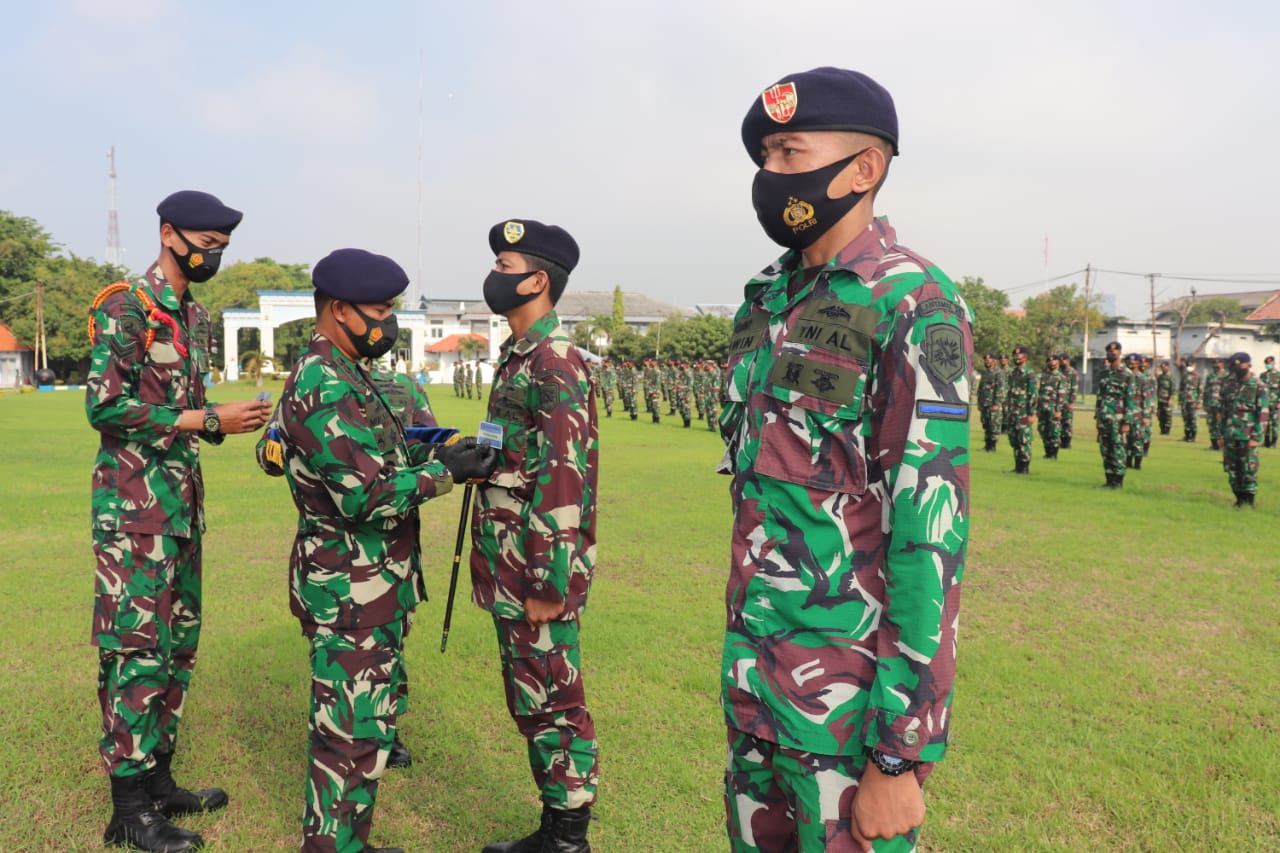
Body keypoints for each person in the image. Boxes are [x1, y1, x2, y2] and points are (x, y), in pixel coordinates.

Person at [721, 67, 972, 852]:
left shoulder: (913, 302)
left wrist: (901, 751)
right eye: (764, 154)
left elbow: (930, 535)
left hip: (852, 717)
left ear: (864, 168)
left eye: (791, 151)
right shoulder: (765, 302)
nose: (771, 174)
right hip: (758, 687)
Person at [256, 248, 497, 853]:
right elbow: (363, 496)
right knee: (349, 737)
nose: (388, 322)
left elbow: (386, 458)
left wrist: (439, 453)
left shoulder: (355, 373)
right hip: (348, 587)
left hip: (374, 582)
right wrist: (444, 471)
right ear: (339, 310)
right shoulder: (322, 381)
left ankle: (348, 843)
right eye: (380, 310)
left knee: (366, 731)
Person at [86, 190, 269, 852]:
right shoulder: (126, 307)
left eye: (223, 243)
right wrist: (200, 419)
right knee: (134, 648)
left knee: (175, 646)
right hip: (134, 512)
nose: (214, 251)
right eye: (205, 240)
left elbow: (185, 408)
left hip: (181, 508)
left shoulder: (194, 313)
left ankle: (158, 778)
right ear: (168, 233)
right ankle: (128, 808)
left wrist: (223, 416)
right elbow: (105, 406)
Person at [470, 219, 600, 853]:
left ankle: (568, 836)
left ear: (538, 280)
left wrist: (550, 580)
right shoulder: (517, 354)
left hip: (534, 568)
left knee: (552, 697)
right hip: (509, 559)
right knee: (532, 692)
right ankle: (556, 825)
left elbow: (564, 476)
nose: (496, 273)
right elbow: (518, 453)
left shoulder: (553, 360)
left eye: (505, 263)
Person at [1219, 352, 1270, 506]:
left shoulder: (1259, 386)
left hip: (1247, 436)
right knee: (1232, 468)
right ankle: (1238, 499)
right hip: (1230, 434)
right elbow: (1224, 411)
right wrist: (1221, 434)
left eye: (1239, 365)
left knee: (1249, 468)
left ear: (1248, 365)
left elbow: (1263, 413)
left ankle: (1249, 500)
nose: (1236, 369)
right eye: (1233, 367)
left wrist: (1256, 437)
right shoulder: (1228, 385)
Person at [1094, 341, 1136, 488]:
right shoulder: (1104, 373)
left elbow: (1130, 399)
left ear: (1120, 352)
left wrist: (1127, 421)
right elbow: (1100, 397)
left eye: (1115, 350)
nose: (1112, 352)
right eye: (1109, 350)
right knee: (1105, 449)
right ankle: (1109, 479)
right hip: (1104, 417)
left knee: (1118, 448)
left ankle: (1118, 481)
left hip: (1118, 418)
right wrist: (1097, 418)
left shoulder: (1127, 374)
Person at [1005, 345, 1037, 474]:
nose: (1017, 358)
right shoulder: (1012, 373)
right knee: (1014, 439)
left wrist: (1031, 413)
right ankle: (1017, 466)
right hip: (1013, 412)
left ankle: (1024, 467)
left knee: (1024, 439)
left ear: (1025, 357)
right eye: (1015, 355)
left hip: (1023, 412)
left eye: (1019, 355)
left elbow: (1033, 395)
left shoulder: (1029, 374)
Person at [1036, 353, 1062, 459]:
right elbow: (1040, 392)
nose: (1051, 363)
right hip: (1043, 407)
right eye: (1049, 361)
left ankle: (1053, 453)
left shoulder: (1060, 377)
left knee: (1053, 430)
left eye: (1054, 361)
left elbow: (1062, 394)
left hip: (1053, 408)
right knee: (1042, 429)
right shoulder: (1044, 376)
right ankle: (1047, 451)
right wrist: (1037, 408)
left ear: (1058, 363)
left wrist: (1058, 410)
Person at [1203, 358, 1226, 449]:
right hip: (1211, 404)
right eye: (1214, 365)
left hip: (1221, 405)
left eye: (1218, 364)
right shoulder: (1210, 376)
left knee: (1221, 424)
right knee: (1211, 423)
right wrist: (1205, 403)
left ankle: (1222, 445)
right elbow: (1206, 391)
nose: (1216, 366)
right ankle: (1214, 445)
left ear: (1223, 364)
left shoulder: (1227, 376)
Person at [1179, 358, 1202, 442]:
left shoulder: (1198, 376)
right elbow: (1181, 388)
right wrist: (1180, 400)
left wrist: (1199, 402)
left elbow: (1200, 390)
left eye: (1191, 365)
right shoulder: (1184, 376)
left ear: (1195, 365)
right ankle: (1187, 435)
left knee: (1193, 419)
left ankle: (1193, 437)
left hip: (1193, 400)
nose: (1189, 367)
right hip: (1185, 400)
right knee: (1186, 418)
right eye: (1188, 365)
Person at [1057, 353, 1077, 449]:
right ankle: (1060, 441)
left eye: (1063, 360)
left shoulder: (1072, 372)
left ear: (1068, 361)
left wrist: (1072, 402)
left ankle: (1067, 442)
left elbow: (1074, 388)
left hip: (1067, 401)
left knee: (1067, 422)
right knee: (1058, 422)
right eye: (1060, 360)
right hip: (1058, 401)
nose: (1061, 362)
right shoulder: (1058, 371)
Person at [1262, 355, 1280, 449]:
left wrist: (1279, 402)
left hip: (1275, 403)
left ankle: (1273, 442)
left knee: (1274, 423)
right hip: (1265, 403)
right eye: (1266, 363)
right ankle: (1266, 441)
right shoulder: (1263, 375)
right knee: (1266, 423)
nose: (1268, 365)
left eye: (1269, 363)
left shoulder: (1278, 375)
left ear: (1274, 363)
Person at [1156, 360, 1174, 435]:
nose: (1163, 368)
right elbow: (1158, 387)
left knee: (1167, 415)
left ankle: (1167, 430)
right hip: (1160, 399)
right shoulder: (1160, 377)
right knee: (1160, 414)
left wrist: (1171, 398)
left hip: (1167, 399)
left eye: (1164, 367)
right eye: (1161, 367)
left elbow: (1172, 388)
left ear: (1168, 367)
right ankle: (1162, 429)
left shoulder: (1170, 377)